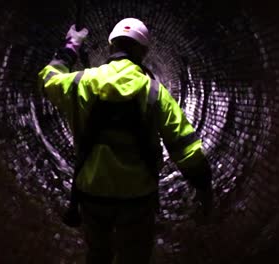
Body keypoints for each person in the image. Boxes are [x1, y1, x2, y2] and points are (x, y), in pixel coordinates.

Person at [38, 18, 213, 264]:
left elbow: (47, 80)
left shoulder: (80, 83)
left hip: (91, 192)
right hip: (138, 199)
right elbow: (184, 146)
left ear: (110, 48)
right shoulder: (154, 92)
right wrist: (203, 186)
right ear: (142, 52)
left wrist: (70, 47)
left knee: (98, 255)